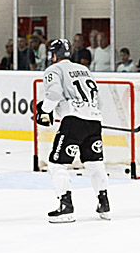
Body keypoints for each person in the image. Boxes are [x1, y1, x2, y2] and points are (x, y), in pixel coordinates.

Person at [34, 39, 111, 223]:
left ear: (54, 55)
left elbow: (53, 95)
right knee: (94, 164)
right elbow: (99, 102)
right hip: (94, 120)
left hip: (74, 121)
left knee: (56, 163)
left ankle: (65, 207)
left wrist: (44, 111)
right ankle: (104, 205)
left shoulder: (54, 70)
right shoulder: (84, 70)